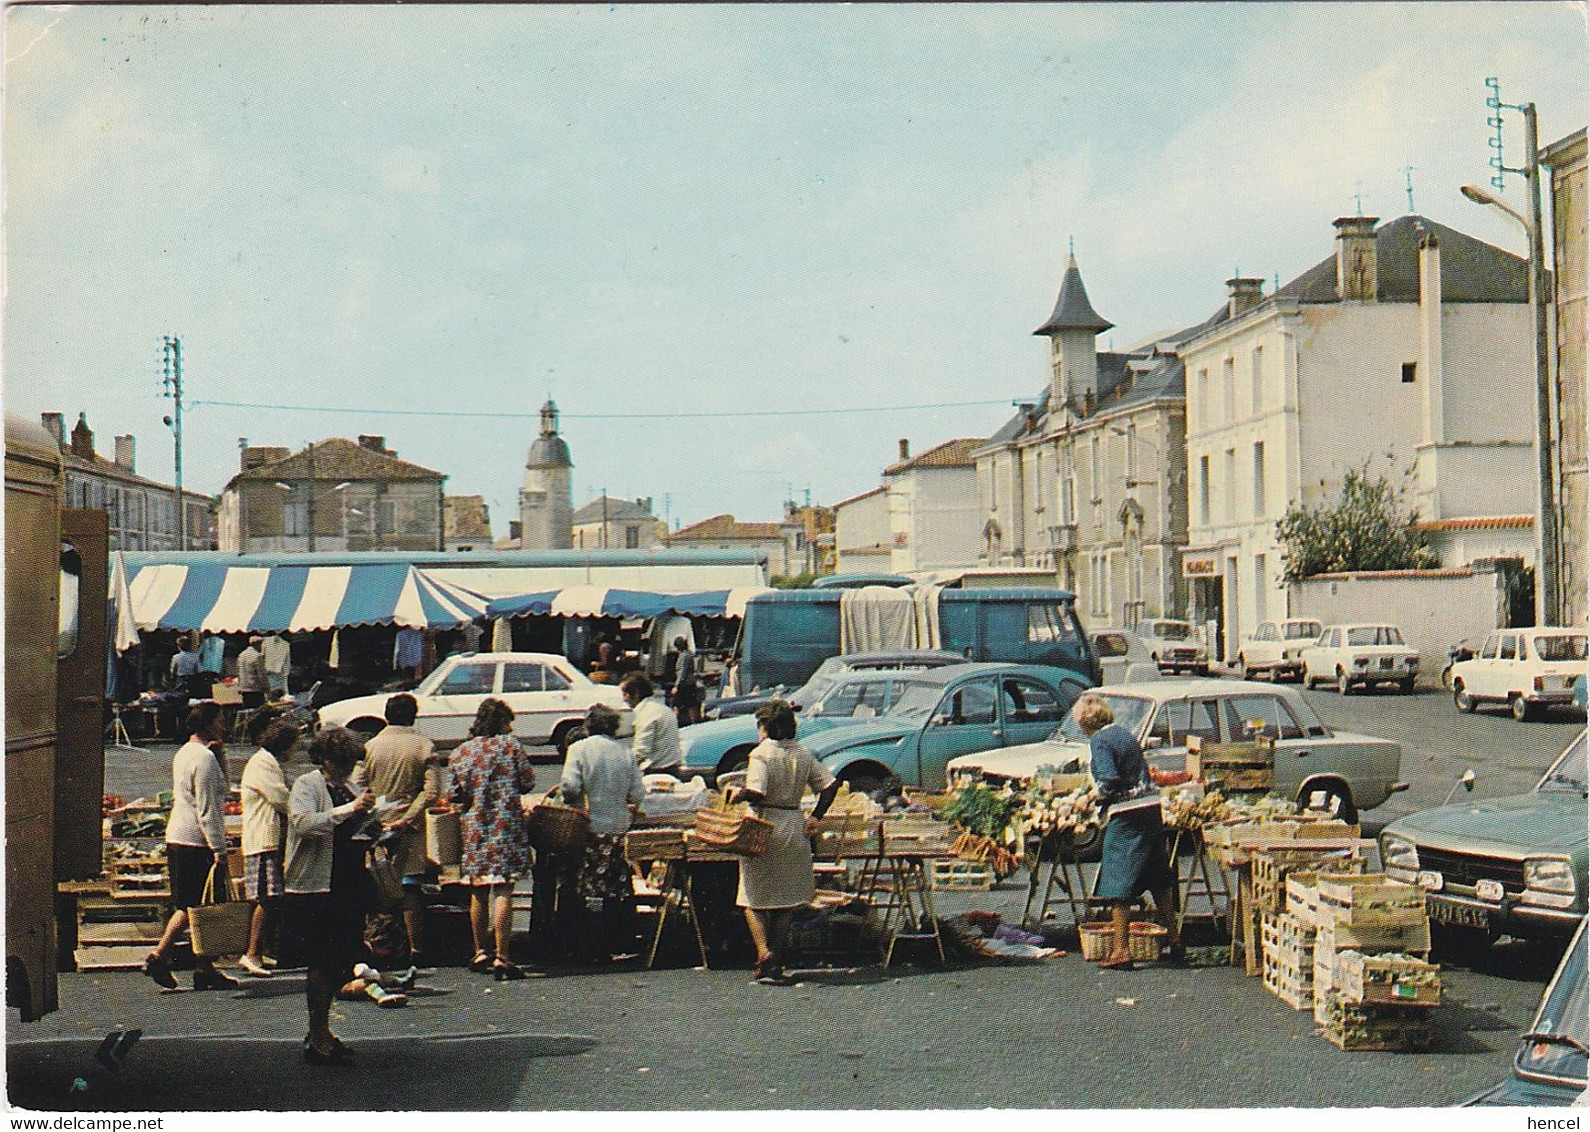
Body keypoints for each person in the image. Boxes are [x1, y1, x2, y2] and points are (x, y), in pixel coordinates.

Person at [283, 726, 378, 1065]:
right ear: (325, 759)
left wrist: (378, 825)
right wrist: (350, 810)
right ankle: (318, 1031)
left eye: (350, 762)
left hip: (347, 881)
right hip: (317, 884)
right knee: (321, 961)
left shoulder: (350, 787)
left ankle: (321, 1030)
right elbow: (304, 824)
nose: (347, 768)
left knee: (341, 959)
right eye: (341, 762)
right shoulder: (308, 785)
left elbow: (357, 829)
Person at [730, 699, 841, 985]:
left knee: (752, 897)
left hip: (763, 827)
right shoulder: (803, 753)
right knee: (784, 901)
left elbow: (757, 791)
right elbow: (829, 786)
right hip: (794, 825)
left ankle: (763, 951)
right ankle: (775, 962)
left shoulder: (761, 754)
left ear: (765, 726)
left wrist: (739, 793)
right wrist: (815, 816)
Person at [1075, 693, 1184, 971]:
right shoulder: (1123, 733)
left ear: (1084, 722)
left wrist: (1090, 798)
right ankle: (1175, 940)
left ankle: (1121, 950)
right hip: (1150, 808)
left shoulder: (1099, 740)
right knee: (1157, 876)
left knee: (1118, 878)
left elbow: (1110, 779)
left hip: (1128, 814)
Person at [142, 702, 239, 992]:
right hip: (196, 838)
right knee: (196, 905)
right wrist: (219, 849)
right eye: (220, 721)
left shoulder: (186, 752)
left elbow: (221, 788)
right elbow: (208, 808)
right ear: (207, 724)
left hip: (178, 834)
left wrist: (220, 755)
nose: (223, 725)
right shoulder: (204, 759)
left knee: (198, 905)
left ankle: (204, 967)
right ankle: (160, 954)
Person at [449, 697, 537, 980]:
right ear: (501, 721)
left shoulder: (460, 752)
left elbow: (454, 794)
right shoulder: (510, 747)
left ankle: (479, 950)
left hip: (475, 826)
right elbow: (527, 782)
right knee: (502, 889)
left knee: (478, 888)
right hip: (506, 824)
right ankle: (503, 955)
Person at [559, 703, 645, 962]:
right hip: (618, 828)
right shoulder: (625, 753)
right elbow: (638, 794)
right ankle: (618, 940)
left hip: (589, 828)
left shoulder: (578, 749)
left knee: (588, 887)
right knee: (617, 886)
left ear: (588, 726)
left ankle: (589, 945)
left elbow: (570, 788)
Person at [360, 693, 436, 964]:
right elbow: (431, 792)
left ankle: (376, 942)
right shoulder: (423, 746)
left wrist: (374, 815)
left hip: (376, 823)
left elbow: (359, 785)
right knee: (410, 885)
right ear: (413, 716)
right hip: (409, 825)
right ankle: (415, 947)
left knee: (378, 882)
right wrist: (408, 817)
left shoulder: (370, 746)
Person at [239, 713, 298, 977]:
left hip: (269, 839)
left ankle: (259, 952)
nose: (296, 750)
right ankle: (251, 953)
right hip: (264, 840)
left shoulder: (268, 761)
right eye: (294, 744)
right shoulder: (263, 763)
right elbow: (281, 799)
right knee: (267, 898)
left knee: (272, 898)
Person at [620, 673, 681, 775]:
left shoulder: (646, 714)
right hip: (672, 767)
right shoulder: (661, 708)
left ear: (636, 693)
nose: (624, 699)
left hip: (656, 770)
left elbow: (641, 751)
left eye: (625, 694)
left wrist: (618, 769)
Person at [671, 635, 702, 726]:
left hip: (685, 685)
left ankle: (677, 723)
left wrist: (676, 686)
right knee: (690, 704)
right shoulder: (688, 654)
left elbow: (682, 672)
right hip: (689, 683)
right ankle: (692, 722)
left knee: (678, 704)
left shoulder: (684, 656)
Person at [236, 636, 268, 709]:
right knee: (257, 713)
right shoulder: (257, 656)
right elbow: (261, 674)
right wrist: (267, 688)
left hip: (243, 688)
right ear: (258, 644)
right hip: (255, 689)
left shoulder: (241, 655)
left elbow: (238, 671)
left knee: (248, 712)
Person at [168, 635, 204, 701]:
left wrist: (172, 679)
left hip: (180, 680)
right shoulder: (195, 656)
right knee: (192, 698)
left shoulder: (176, 657)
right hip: (192, 680)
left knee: (179, 698)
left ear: (179, 646)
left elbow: (173, 671)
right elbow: (199, 670)